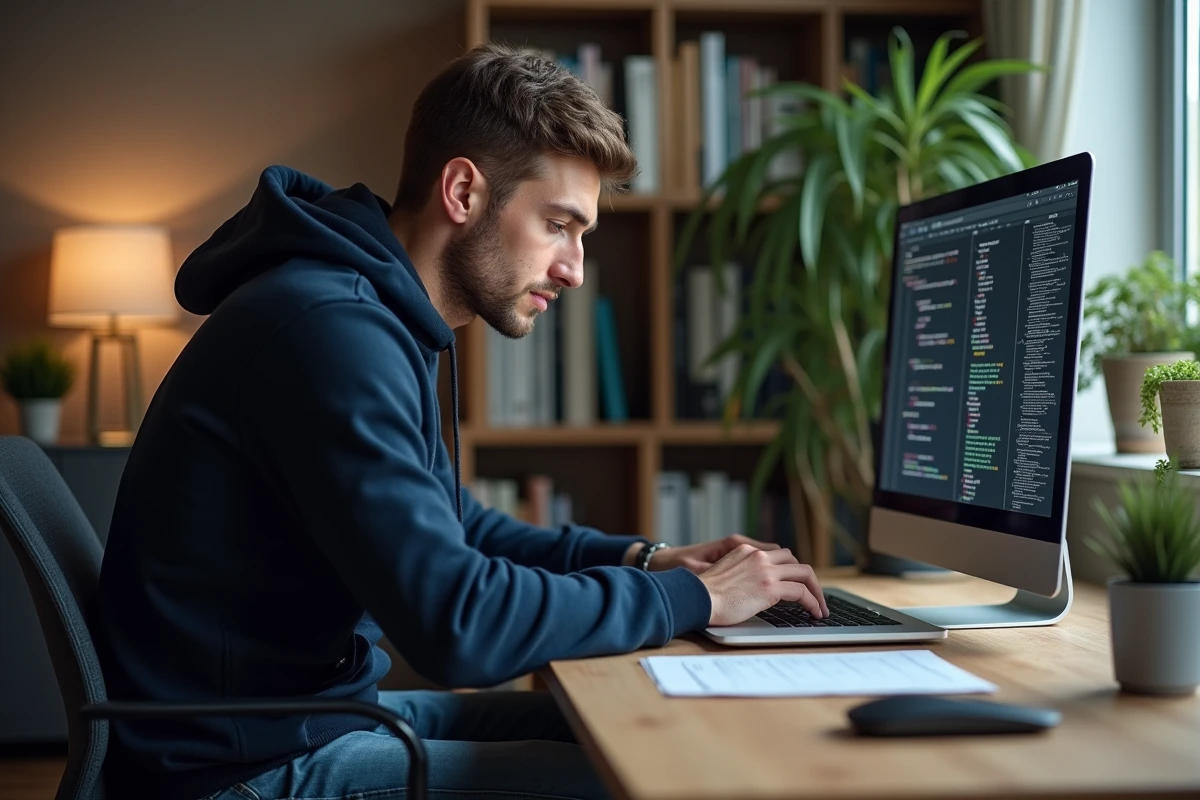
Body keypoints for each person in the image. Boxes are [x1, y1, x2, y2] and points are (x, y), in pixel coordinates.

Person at [96, 42, 828, 800]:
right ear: (463, 191)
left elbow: (459, 530)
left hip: (301, 720)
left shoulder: (366, 312)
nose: (575, 268)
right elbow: (460, 626)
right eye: (558, 224)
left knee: (651, 731)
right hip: (235, 768)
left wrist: (649, 561)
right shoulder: (328, 330)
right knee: (667, 778)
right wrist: (699, 600)